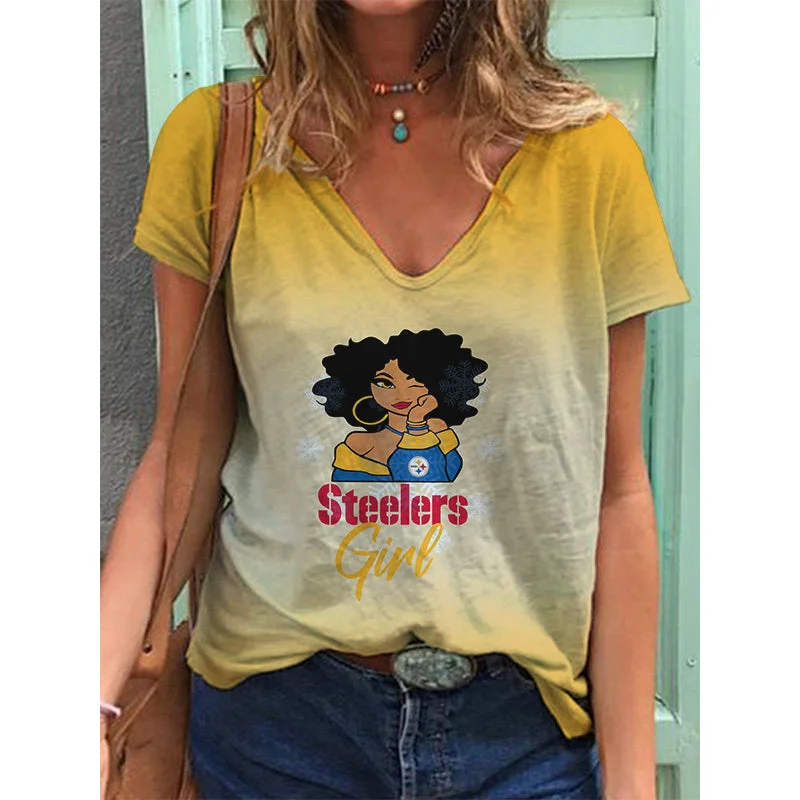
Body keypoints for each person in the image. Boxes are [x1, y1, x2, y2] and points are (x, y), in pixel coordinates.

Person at [100, 1, 692, 798]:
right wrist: (86, 705)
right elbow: (179, 455)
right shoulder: (219, 146)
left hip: (523, 741)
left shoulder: (590, 158)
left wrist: (633, 785)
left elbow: (617, 492)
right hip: (279, 732)